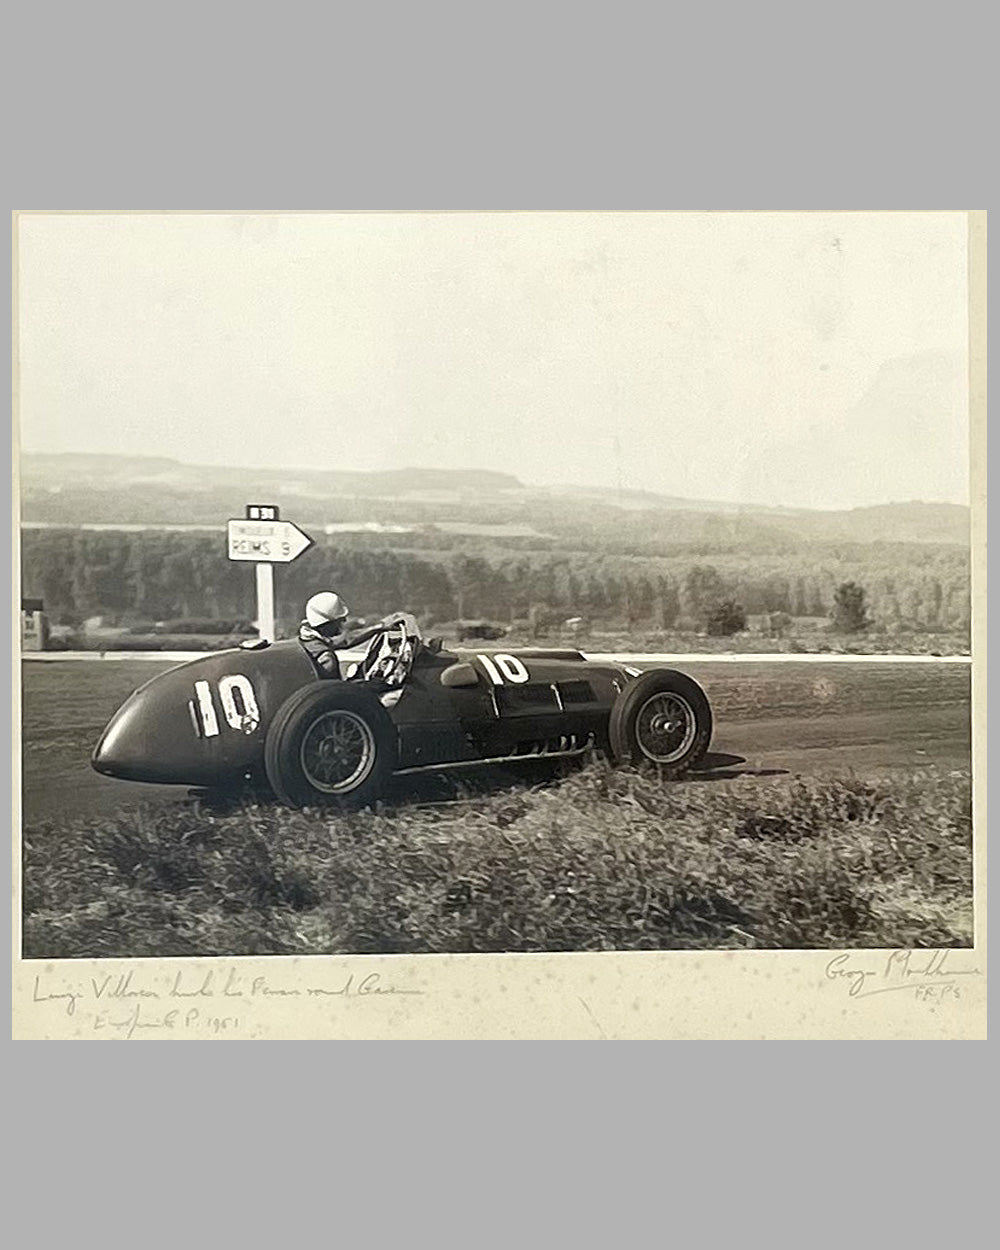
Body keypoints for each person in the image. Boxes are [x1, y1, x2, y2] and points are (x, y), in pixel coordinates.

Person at [297, 592, 393, 679]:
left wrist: (379, 627)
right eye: (339, 620)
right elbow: (334, 693)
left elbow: (345, 640)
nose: (344, 622)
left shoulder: (307, 639)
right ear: (326, 623)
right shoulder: (326, 659)